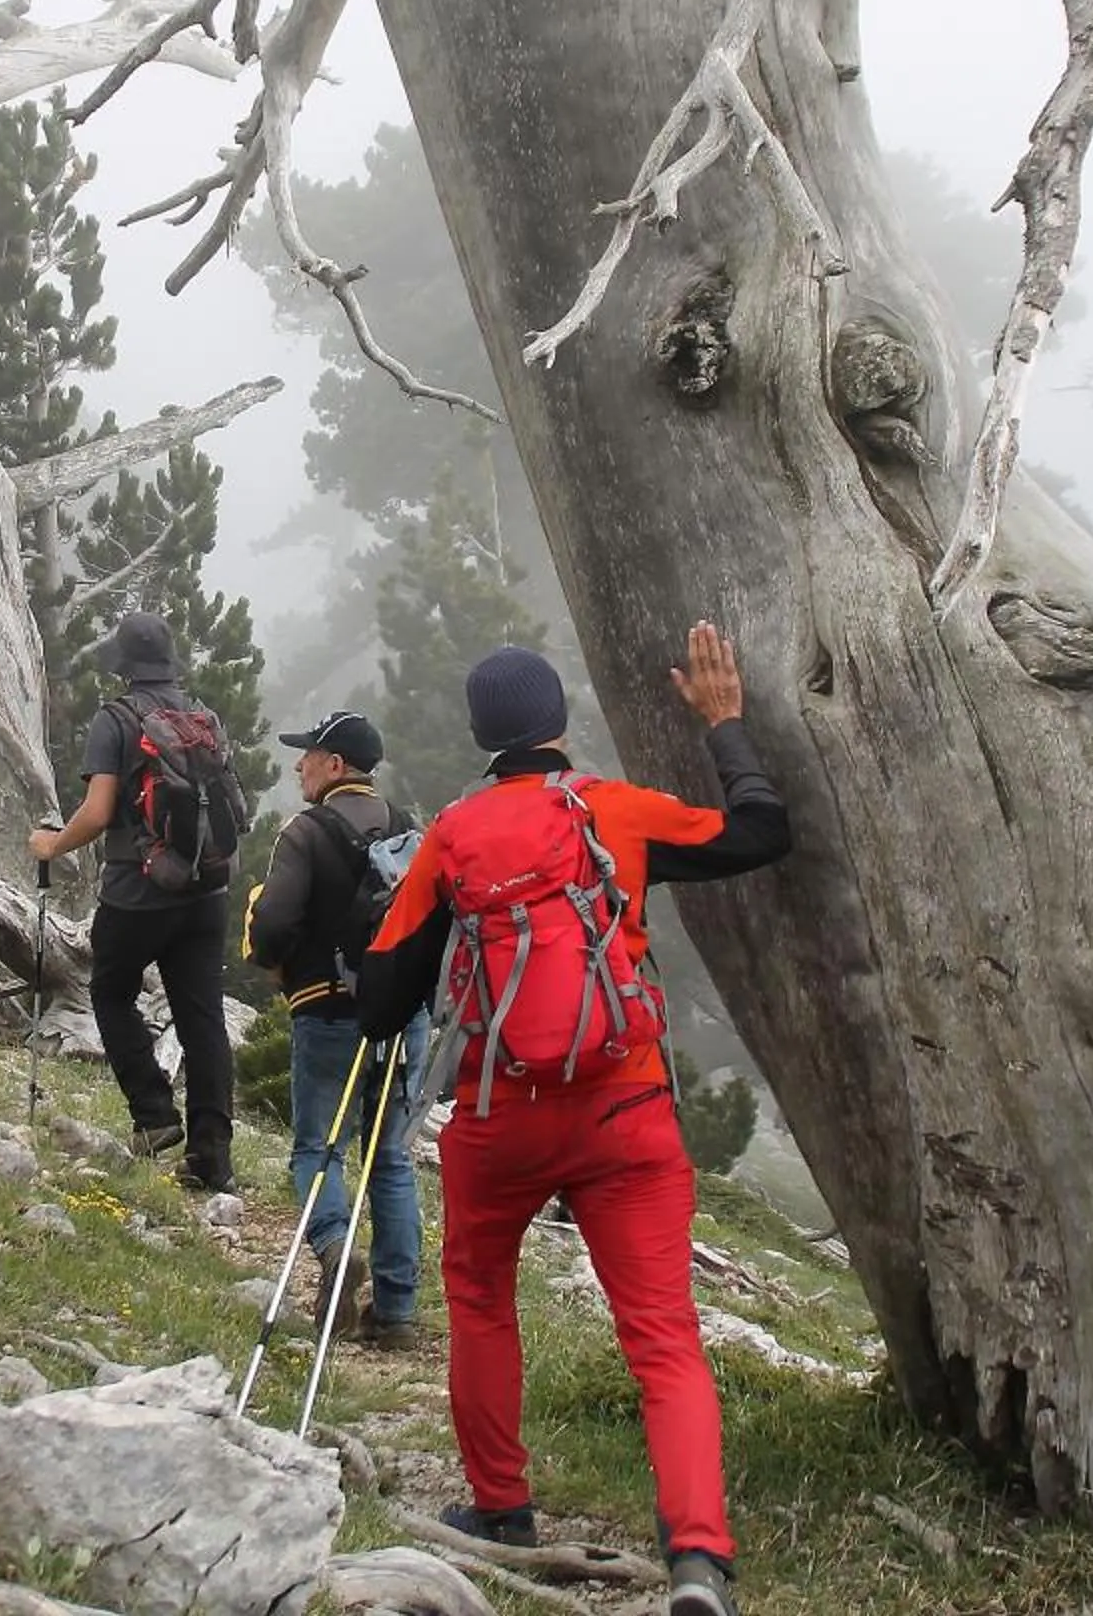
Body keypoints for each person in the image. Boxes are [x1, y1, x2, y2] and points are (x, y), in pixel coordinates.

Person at [356, 625, 788, 1616]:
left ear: (483, 736)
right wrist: (725, 726)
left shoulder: (453, 836)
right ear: (555, 723)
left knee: (479, 1296)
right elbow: (763, 831)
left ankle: (502, 1505)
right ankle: (697, 1556)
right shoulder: (616, 812)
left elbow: (382, 1000)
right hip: (624, 1107)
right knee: (664, 1332)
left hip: (501, 1118)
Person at [28, 611, 245, 1194]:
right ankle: (211, 1160)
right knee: (202, 1020)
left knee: (110, 993)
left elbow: (97, 814)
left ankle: (153, 1116)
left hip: (138, 892)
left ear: (123, 666)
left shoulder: (116, 719)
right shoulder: (204, 717)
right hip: (206, 891)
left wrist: (51, 844)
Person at [244, 708, 425, 1350]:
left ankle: (331, 1243)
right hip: (404, 1016)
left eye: (308, 756)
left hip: (327, 1009)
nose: (298, 765)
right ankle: (397, 1312)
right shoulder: (409, 828)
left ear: (335, 765)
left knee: (318, 1148)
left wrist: (270, 963)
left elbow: (271, 925)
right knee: (393, 1157)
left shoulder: (306, 831)